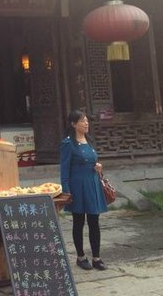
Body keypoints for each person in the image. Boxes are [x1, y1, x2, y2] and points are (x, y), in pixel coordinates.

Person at [60, 110, 108, 271]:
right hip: (77, 186)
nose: (86, 123)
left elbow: (94, 162)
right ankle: (81, 257)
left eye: (87, 121)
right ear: (74, 124)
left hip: (92, 184)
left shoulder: (89, 140)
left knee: (94, 221)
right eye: (82, 121)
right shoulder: (68, 143)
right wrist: (66, 190)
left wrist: (99, 168)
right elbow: (64, 169)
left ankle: (96, 258)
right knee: (78, 222)